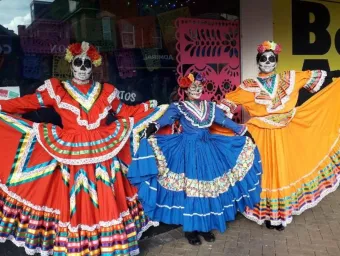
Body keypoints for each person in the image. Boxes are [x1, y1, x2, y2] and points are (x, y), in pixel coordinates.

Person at [0, 42, 165, 255]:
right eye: (79, 62)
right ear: (71, 65)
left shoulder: (106, 91)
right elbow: (26, 103)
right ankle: (79, 248)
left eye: (88, 63)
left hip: (104, 150)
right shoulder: (57, 90)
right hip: (70, 152)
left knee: (106, 195)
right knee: (74, 199)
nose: (83, 67)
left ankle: (108, 246)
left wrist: (151, 109)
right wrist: (3, 106)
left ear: (93, 66)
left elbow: (125, 112)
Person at [211, 40, 340, 231]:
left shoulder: (290, 77)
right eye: (264, 59)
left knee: (284, 169)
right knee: (265, 172)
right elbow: (227, 103)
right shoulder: (248, 86)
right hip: (260, 133)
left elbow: (319, 77)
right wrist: (209, 117)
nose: (268, 62)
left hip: (286, 131)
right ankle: (268, 215)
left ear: (276, 61)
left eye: (272, 59)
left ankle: (281, 214)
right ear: (258, 61)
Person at [127, 72, 262, 245]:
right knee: (191, 190)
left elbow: (225, 122)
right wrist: (152, 128)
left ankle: (205, 227)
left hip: (208, 149)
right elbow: (165, 120)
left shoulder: (210, 107)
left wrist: (243, 131)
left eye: (199, 87)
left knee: (207, 189)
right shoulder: (179, 107)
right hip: (187, 151)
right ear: (186, 90)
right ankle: (191, 230)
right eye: (193, 88)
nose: (197, 90)